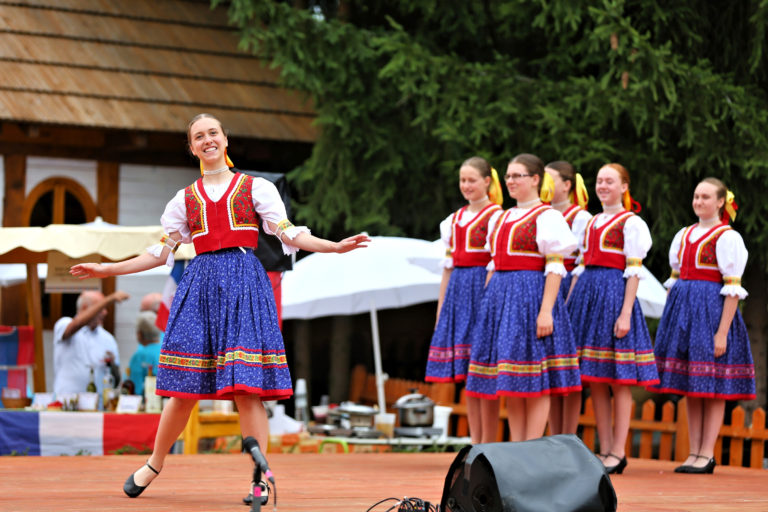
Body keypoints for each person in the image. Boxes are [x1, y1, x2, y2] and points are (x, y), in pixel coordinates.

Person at [70, 113, 369, 505]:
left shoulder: (255, 188)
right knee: (183, 389)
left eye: (213, 133)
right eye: (199, 136)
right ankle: (154, 464)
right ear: (192, 147)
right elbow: (158, 252)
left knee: (248, 391)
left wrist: (333, 246)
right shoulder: (184, 199)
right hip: (201, 287)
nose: (207, 140)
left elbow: (289, 232)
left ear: (225, 140)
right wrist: (108, 268)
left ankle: (259, 481)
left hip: (245, 283)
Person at [465, 153, 581, 442]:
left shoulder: (548, 216)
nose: (511, 181)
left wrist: (546, 311)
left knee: (536, 378)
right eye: (508, 176)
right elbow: (493, 265)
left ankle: (533, 448)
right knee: (512, 379)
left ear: (535, 179)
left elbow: (555, 268)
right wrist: (487, 308)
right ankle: (518, 447)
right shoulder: (501, 217)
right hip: (501, 301)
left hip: (530, 298)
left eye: (517, 176)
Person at [651, 178, 755, 474]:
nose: (699, 202)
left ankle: (707, 453)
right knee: (691, 384)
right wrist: (671, 323)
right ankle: (693, 451)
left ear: (721, 201)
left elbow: (733, 288)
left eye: (706, 197)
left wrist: (722, 332)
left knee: (712, 386)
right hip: (684, 316)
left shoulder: (727, 237)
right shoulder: (683, 235)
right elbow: (673, 283)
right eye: (696, 196)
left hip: (711, 315)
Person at [567, 163, 659, 474]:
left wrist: (625, 314)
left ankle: (618, 451)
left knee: (619, 380)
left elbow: (634, 273)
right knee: (595, 378)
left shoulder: (631, 223)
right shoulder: (591, 222)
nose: (603, 186)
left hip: (614, 298)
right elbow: (580, 269)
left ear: (624, 186)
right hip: (588, 300)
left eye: (610, 181)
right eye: (599, 181)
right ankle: (605, 448)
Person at [424, 156, 503, 444]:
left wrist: (488, 303)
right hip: (458, 293)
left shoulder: (497, 217)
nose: (466, 185)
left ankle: (488, 442)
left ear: (487, 182)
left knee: (483, 370)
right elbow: (447, 270)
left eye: (472, 180)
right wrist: (442, 309)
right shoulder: (453, 220)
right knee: (470, 374)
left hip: (483, 291)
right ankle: (475, 440)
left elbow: (496, 264)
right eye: (462, 180)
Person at [544, 161, 592, 436]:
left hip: (569, 289)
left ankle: (568, 436)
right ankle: (552, 436)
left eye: (552, 181)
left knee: (569, 364)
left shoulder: (581, 218)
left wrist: (569, 301)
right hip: (544, 287)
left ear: (567, 185)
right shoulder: (541, 214)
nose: (546, 187)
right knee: (549, 364)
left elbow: (583, 262)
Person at [53, 290, 127, 406]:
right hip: (66, 403)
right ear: (84, 308)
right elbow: (75, 326)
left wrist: (112, 365)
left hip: (98, 406)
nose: (105, 312)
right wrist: (109, 299)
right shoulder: (64, 324)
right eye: (101, 308)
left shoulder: (108, 338)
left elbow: (116, 380)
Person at [128, 310, 162, 396]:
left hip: (146, 405)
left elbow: (135, 389)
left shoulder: (139, 357)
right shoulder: (168, 352)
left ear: (139, 334)